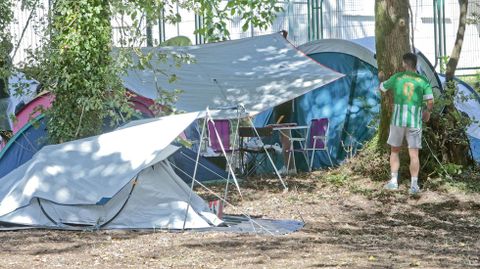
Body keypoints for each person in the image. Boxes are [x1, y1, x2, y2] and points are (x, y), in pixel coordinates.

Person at [378, 52, 434, 194]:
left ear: (404, 63)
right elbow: (430, 101)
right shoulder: (423, 80)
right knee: (414, 154)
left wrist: (381, 78)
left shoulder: (397, 77)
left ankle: (393, 182)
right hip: (415, 121)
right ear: (416, 64)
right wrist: (427, 112)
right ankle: (414, 186)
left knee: (394, 151)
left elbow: (382, 88)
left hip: (397, 120)